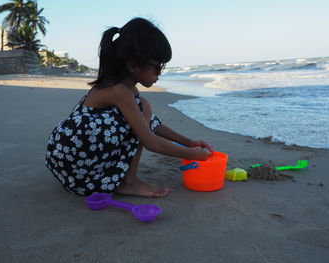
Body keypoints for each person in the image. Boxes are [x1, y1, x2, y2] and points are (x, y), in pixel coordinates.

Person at [45, 17, 213, 198]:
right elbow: (150, 141)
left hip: (67, 162)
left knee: (143, 112)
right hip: (80, 174)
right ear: (133, 65)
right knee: (143, 112)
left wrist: (188, 142)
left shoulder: (126, 89)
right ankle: (129, 183)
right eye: (156, 67)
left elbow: (151, 124)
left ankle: (124, 179)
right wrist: (192, 154)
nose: (160, 74)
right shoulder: (118, 91)